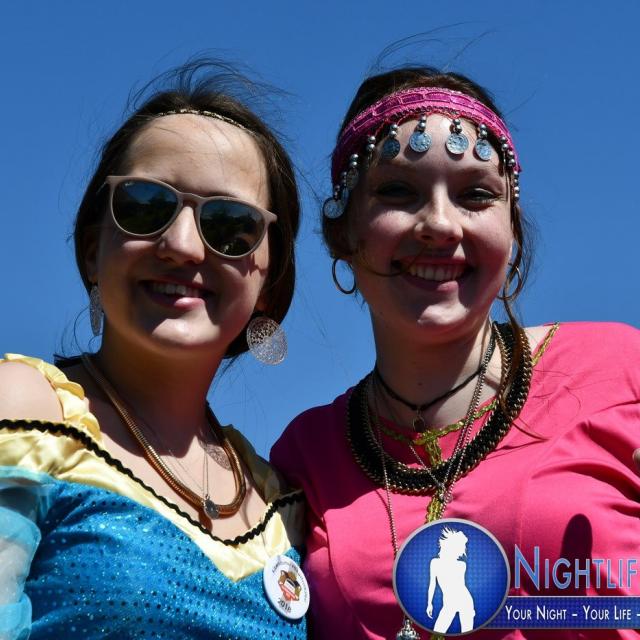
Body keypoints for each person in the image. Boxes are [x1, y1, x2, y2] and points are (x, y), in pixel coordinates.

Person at [271, 66, 640, 639]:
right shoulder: (306, 456)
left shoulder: (619, 371)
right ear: (343, 233)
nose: (440, 225)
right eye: (398, 191)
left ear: (511, 229)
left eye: (476, 195)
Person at [0, 61, 307, 639]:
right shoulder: (23, 411)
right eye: (144, 206)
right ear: (92, 249)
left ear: (269, 282)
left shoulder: (282, 503)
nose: (182, 246)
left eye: (230, 225)